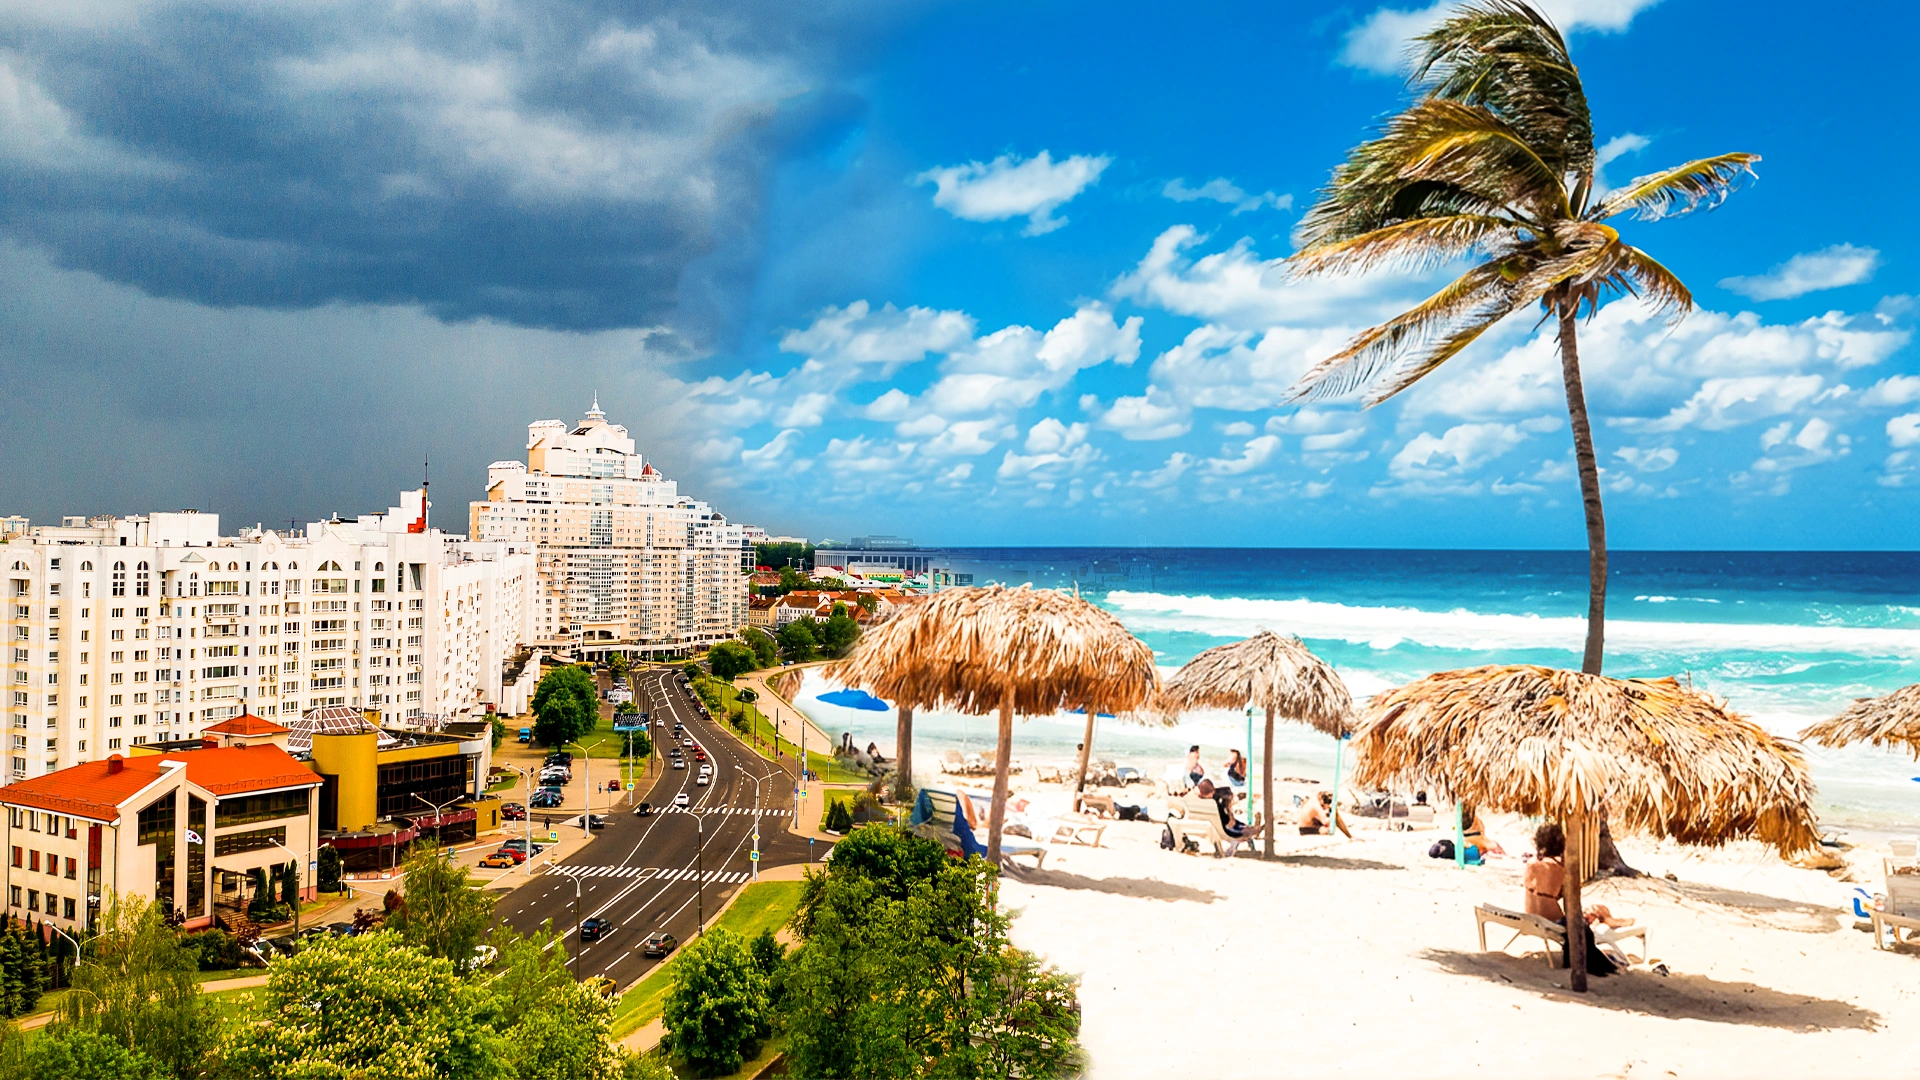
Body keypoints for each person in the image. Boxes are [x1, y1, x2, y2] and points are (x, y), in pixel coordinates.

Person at [1525, 823, 1627, 974]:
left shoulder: (1531, 863)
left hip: (1530, 915)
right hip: (1551, 919)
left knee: (1584, 923)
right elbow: (1570, 897)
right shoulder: (1560, 867)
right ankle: (1591, 966)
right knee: (1584, 932)